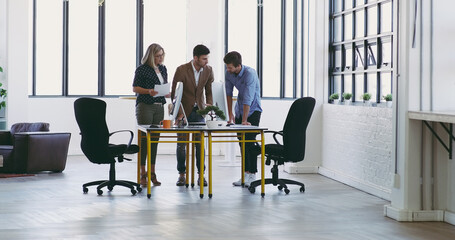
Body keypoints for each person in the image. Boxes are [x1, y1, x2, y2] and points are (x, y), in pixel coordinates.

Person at [171, 44, 214, 187]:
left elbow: (209, 91)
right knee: (181, 145)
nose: (206, 61)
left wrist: (209, 104)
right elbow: (174, 94)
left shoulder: (208, 70)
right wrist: (179, 114)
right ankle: (181, 175)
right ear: (195, 58)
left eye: (207, 58)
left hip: (199, 111)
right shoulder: (182, 70)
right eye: (204, 59)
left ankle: (201, 175)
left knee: (200, 145)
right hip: (183, 111)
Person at [132, 43, 170, 186]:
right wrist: (149, 91)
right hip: (145, 106)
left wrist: (167, 93)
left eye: (162, 55)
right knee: (144, 140)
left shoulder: (163, 69)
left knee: (154, 140)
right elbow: (135, 87)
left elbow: (163, 86)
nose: (160, 58)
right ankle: (143, 173)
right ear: (151, 56)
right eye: (158, 56)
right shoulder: (142, 69)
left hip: (159, 107)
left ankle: (152, 172)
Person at [224, 51, 262, 187]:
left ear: (238, 66)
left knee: (250, 143)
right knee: (242, 143)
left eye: (230, 67)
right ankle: (245, 175)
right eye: (227, 67)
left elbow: (248, 98)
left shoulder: (250, 74)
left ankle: (253, 174)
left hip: (253, 110)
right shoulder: (229, 73)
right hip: (240, 110)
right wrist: (230, 115)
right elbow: (228, 94)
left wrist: (245, 120)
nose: (228, 70)